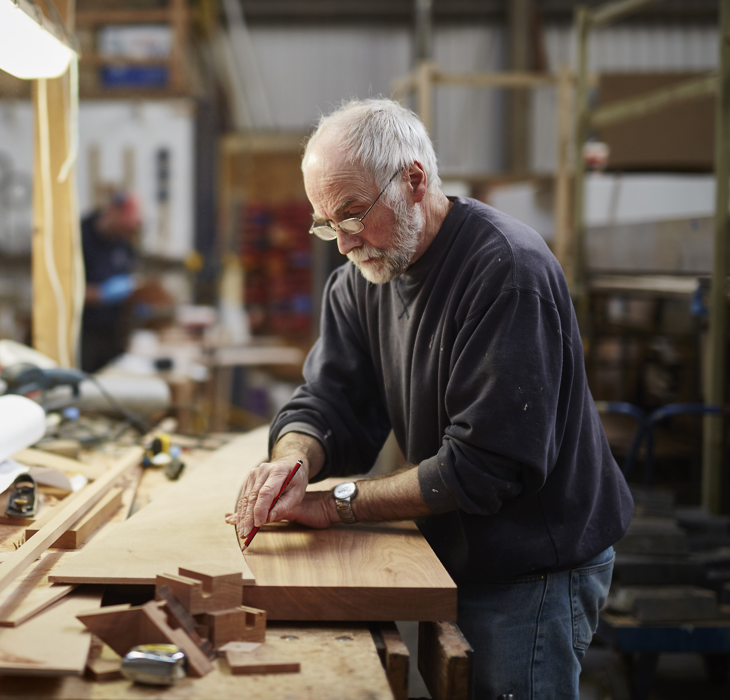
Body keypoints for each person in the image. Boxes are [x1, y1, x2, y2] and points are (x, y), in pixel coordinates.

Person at [232, 98, 633, 700]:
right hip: (454, 551)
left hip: (534, 568)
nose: (343, 244)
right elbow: (330, 402)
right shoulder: (361, 281)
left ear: (414, 181)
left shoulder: (507, 273)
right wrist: (293, 462)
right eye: (326, 224)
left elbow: (483, 468)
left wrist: (335, 504)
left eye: (352, 214)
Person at [79, 190, 141, 373]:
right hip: (85, 333)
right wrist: (102, 294)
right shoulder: (79, 236)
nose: (127, 232)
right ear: (113, 211)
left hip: (113, 333)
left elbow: (130, 279)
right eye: (125, 226)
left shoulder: (124, 243)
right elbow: (65, 292)